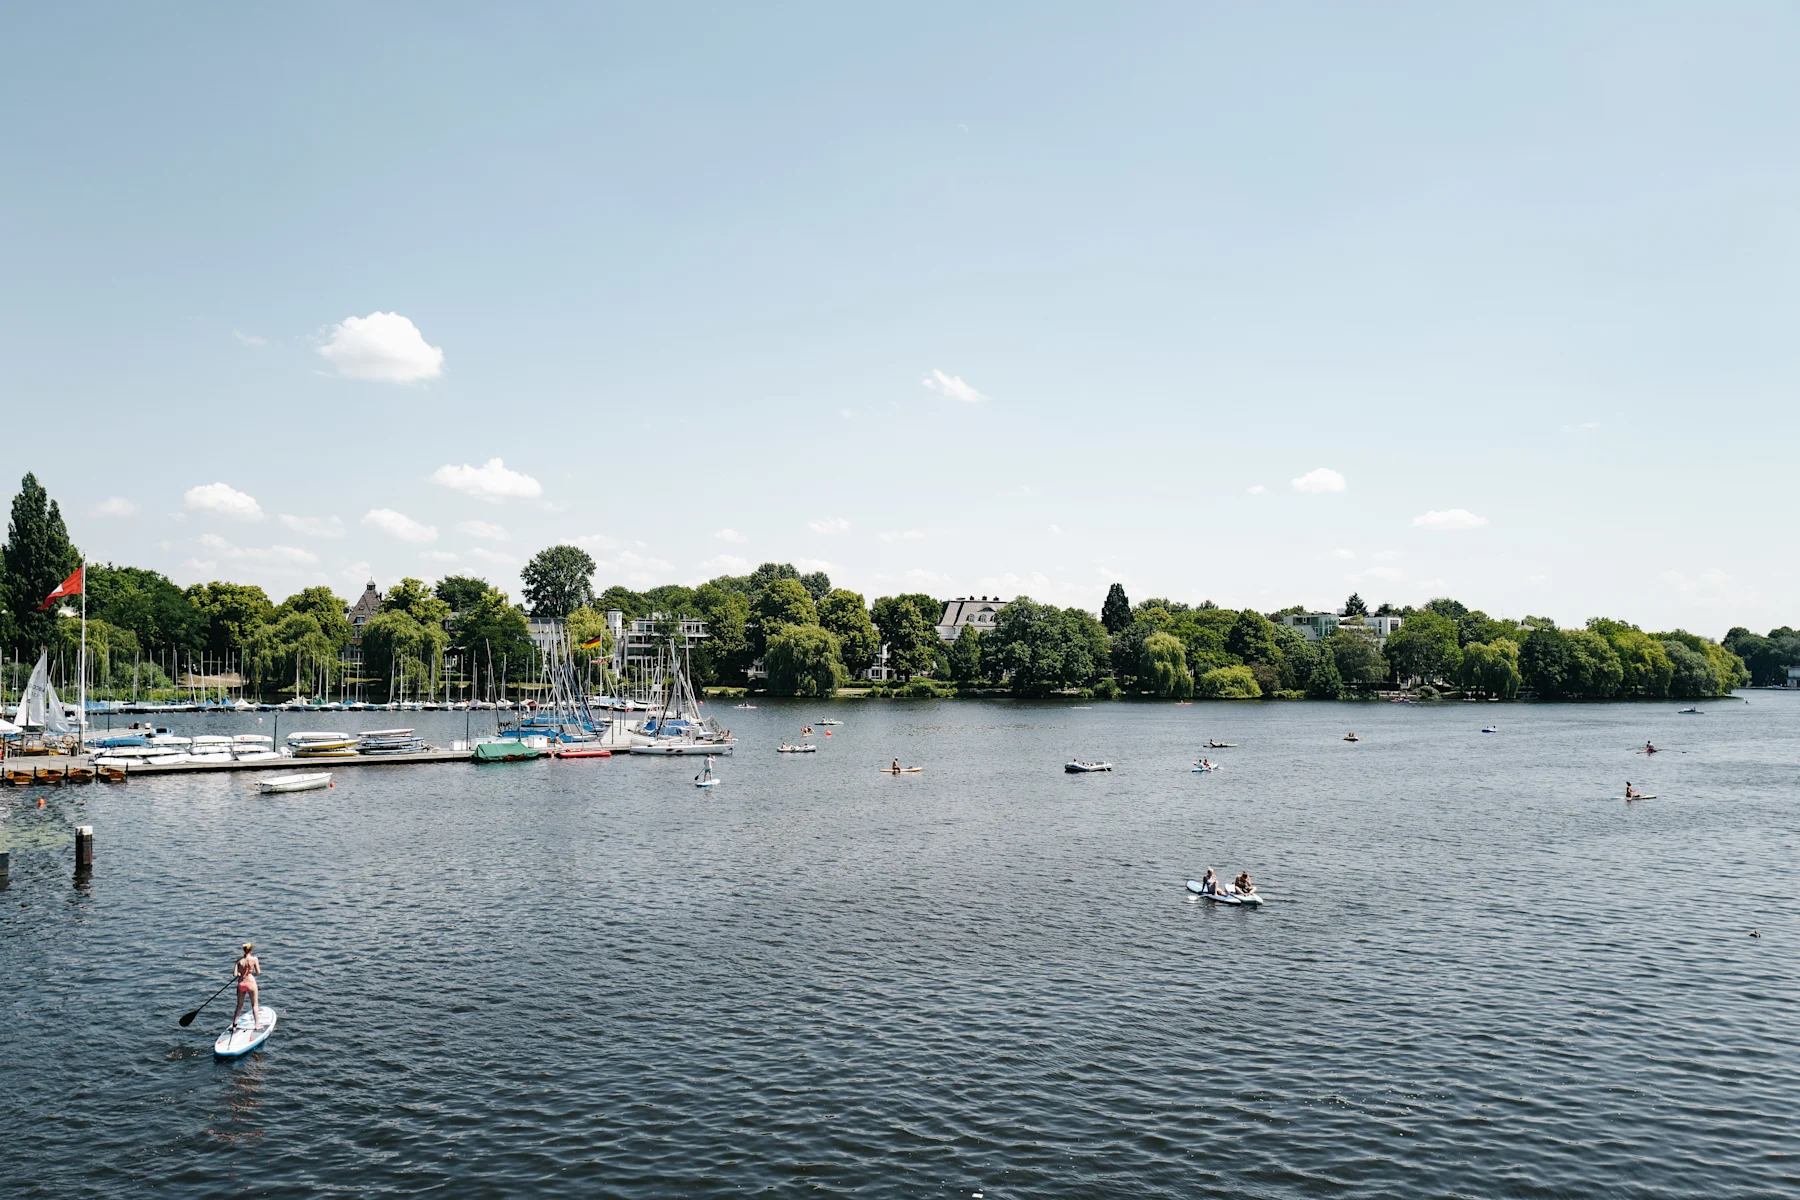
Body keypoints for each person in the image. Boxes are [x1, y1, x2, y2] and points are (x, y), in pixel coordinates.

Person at [230, 942, 262, 1028]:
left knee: (239, 1005)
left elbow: (235, 974)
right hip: (251, 983)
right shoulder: (254, 959)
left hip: (241, 984)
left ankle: (234, 1025)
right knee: (255, 1004)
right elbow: (258, 972)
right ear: (251, 950)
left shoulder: (238, 961)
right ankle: (257, 1025)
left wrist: (240, 973)